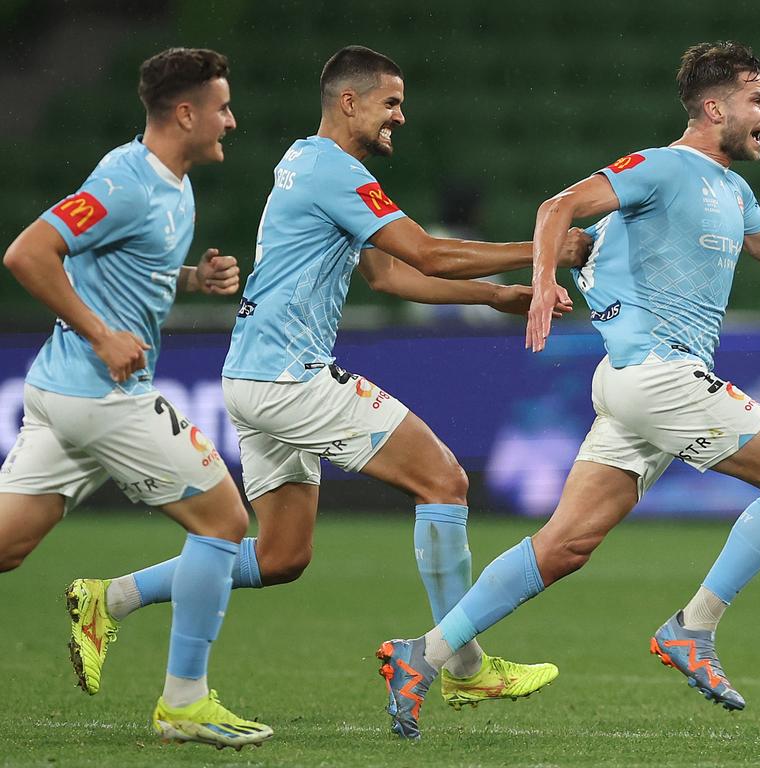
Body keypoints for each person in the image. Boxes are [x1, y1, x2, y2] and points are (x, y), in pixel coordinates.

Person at [375, 40, 760, 738]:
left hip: (638, 388)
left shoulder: (733, 190)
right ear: (714, 107)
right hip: (661, 377)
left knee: (565, 545)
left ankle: (425, 654)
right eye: (758, 99)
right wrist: (541, 282)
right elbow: (556, 208)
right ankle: (694, 627)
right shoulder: (660, 168)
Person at [69, 45, 590, 720]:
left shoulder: (304, 162)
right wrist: (544, 249)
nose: (399, 117)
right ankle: (461, 664)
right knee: (445, 481)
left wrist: (495, 297)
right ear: (350, 102)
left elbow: (389, 275)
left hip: (251, 376)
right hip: (291, 377)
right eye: (391, 103)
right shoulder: (335, 172)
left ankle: (106, 600)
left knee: (282, 555)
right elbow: (426, 251)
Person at [0, 48, 273, 749]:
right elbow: (28, 252)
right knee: (223, 521)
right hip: (102, 394)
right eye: (221, 108)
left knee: (7, 545)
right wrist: (99, 334)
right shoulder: (124, 179)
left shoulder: (171, 182)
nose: (231, 121)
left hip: (66, 394)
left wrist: (190, 278)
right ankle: (185, 702)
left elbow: (122, 263)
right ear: (185, 113)